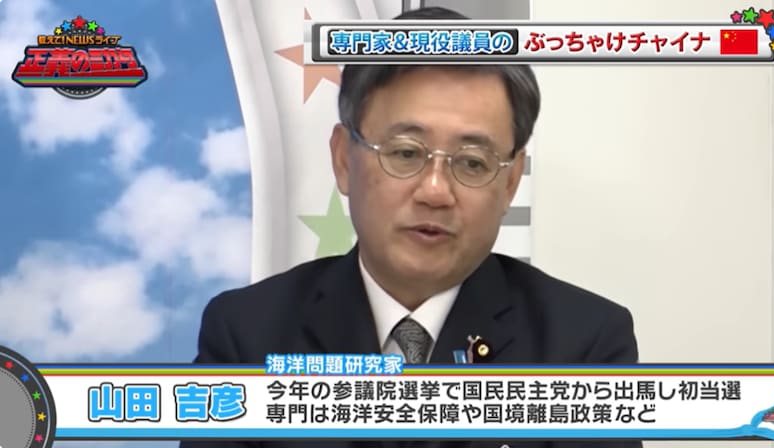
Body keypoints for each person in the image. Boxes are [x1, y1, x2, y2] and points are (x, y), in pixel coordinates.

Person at [181, 6, 639, 448]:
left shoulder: (583, 346)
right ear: (343, 160)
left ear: (510, 182)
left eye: (472, 162)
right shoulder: (246, 336)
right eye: (405, 153)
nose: (435, 191)